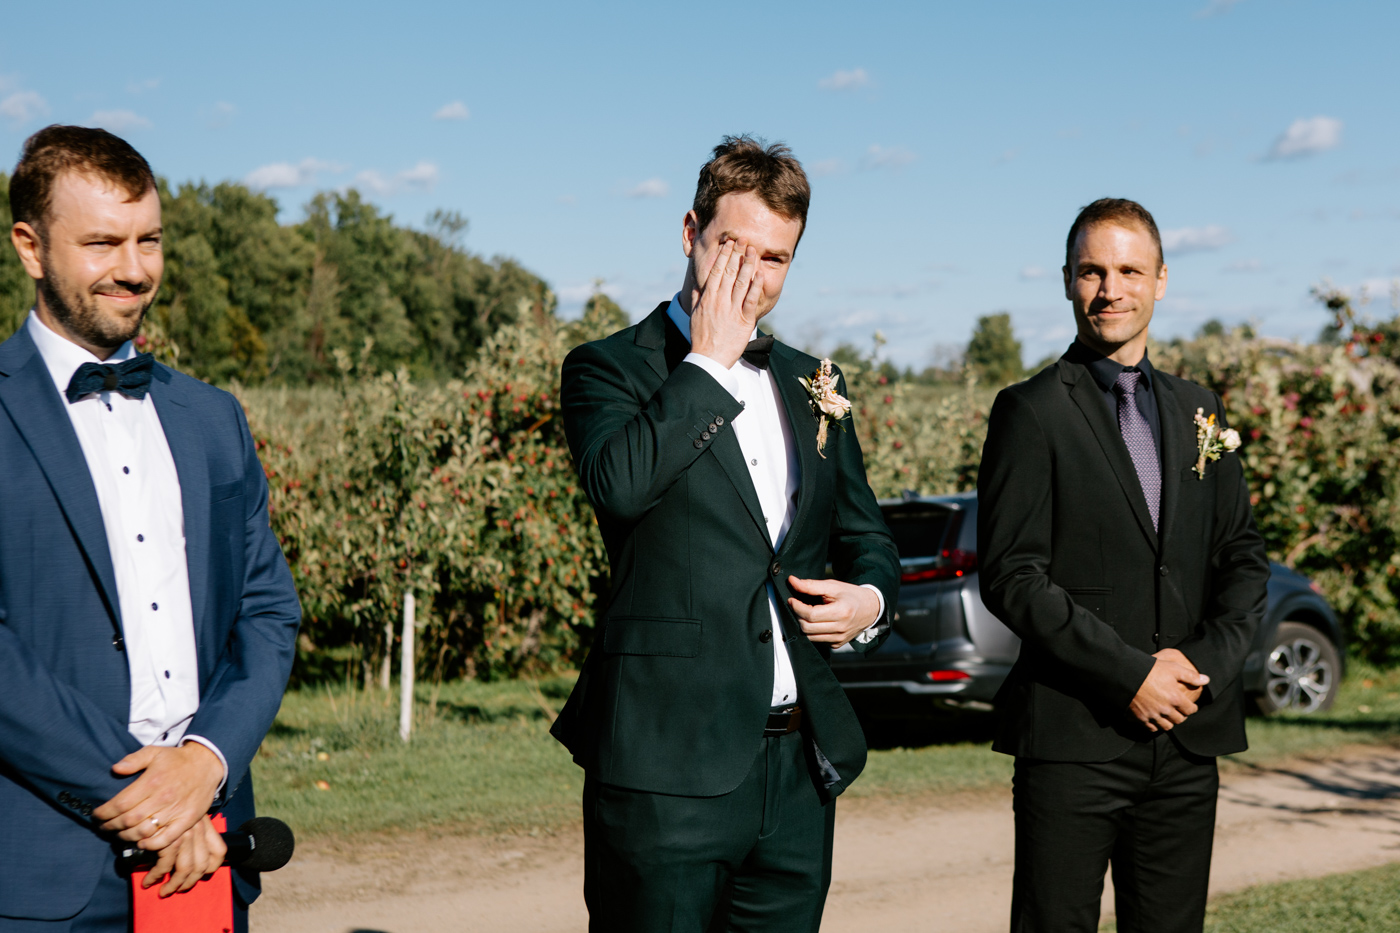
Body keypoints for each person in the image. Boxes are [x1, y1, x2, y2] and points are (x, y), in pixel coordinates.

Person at [552, 136, 900, 932]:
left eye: (774, 258)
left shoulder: (818, 385)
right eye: (733, 246)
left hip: (796, 771)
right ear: (689, 232)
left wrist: (869, 601)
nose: (752, 273)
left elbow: (866, 532)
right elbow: (619, 487)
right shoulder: (609, 368)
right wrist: (706, 363)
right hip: (664, 769)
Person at [0, 125, 300, 931]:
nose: (134, 269)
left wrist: (205, 763)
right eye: (102, 242)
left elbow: (267, 612)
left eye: (150, 240)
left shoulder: (213, 418)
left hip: (210, 852)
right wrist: (143, 796)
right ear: (30, 247)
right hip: (41, 871)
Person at [977, 198, 1270, 933]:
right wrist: (1131, 674)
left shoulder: (1201, 409)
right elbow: (1013, 574)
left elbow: (1242, 557)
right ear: (1069, 281)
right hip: (1074, 740)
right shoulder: (1030, 411)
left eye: (1129, 270)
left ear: (1161, 280)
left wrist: (1200, 667)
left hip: (1186, 739)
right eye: (1092, 271)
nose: (1111, 289)